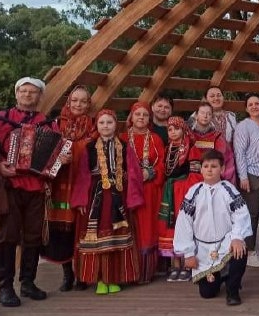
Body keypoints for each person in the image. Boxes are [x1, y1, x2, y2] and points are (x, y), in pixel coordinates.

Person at [70, 109, 144, 295]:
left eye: (109, 122)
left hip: (118, 197)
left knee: (118, 235)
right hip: (96, 199)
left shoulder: (125, 147)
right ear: (97, 125)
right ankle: (100, 279)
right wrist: (80, 199)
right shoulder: (89, 148)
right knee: (99, 237)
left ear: (116, 125)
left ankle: (115, 278)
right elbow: (83, 175)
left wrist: (133, 198)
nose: (105, 126)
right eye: (102, 123)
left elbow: (134, 173)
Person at [0, 77, 52, 307]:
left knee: (33, 236)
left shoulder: (47, 122)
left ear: (40, 96)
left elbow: (55, 152)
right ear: (16, 93)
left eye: (32, 92)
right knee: (8, 236)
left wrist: (61, 158)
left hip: (36, 186)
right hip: (10, 186)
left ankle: (28, 283)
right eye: (24, 91)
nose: (27, 95)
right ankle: (6, 287)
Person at [173, 149, 250, 305]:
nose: (209, 169)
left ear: (222, 169)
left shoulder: (228, 189)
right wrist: (188, 253)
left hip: (225, 243)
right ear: (201, 169)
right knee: (207, 293)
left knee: (240, 249)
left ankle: (233, 290)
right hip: (203, 249)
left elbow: (241, 214)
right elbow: (184, 222)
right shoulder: (194, 192)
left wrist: (236, 237)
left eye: (214, 166)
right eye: (206, 166)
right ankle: (222, 275)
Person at [42, 85, 96, 292]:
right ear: (68, 101)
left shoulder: (94, 127)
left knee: (81, 229)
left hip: (83, 185)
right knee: (62, 231)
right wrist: (59, 158)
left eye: (83, 101)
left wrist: (76, 152)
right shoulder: (56, 125)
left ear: (88, 104)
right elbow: (45, 152)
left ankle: (82, 274)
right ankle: (67, 274)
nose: (78, 104)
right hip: (59, 186)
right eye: (74, 100)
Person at [123, 101, 165, 284]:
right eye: (137, 114)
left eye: (145, 115)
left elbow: (162, 163)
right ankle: (129, 271)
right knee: (131, 227)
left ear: (150, 118)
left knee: (148, 227)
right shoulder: (122, 138)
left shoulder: (155, 139)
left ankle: (146, 272)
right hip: (128, 190)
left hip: (149, 189)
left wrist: (151, 172)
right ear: (131, 117)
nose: (141, 117)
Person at [233, 93, 259, 268]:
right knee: (252, 214)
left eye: (257, 103)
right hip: (252, 175)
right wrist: (243, 176)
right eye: (250, 104)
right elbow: (239, 152)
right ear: (246, 108)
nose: (254, 107)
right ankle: (249, 252)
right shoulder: (243, 126)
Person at [174, 102, 234, 205]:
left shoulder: (218, 137)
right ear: (196, 115)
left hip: (212, 177)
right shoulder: (187, 135)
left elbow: (223, 159)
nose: (205, 116)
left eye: (209, 114)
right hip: (190, 176)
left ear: (212, 117)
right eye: (202, 113)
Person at [158, 117, 191, 281]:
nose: (173, 132)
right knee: (170, 225)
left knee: (183, 223)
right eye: (170, 129)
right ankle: (175, 264)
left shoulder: (190, 148)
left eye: (176, 129)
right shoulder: (167, 149)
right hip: (169, 189)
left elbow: (195, 172)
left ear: (183, 130)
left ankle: (187, 265)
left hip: (183, 189)